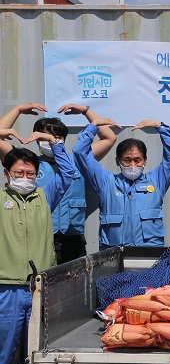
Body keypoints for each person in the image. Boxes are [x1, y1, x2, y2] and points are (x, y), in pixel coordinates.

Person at [0, 129, 74, 364]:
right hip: (5, 289)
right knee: (3, 352)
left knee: (39, 352)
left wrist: (55, 142)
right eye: (19, 173)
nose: (25, 178)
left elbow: (67, 174)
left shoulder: (44, 197)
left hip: (39, 289)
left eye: (30, 174)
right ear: (7, 174)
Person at [0, 103, 117, 262]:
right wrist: (18, 109)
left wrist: (86, 111)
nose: (50, 140)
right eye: (45, 136)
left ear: (63, 140)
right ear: (37, 138)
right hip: (39, 235)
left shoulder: (77, 160)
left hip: (73, 237)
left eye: (56, 137)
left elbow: (109, 138)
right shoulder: (28, 164)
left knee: (75, 283)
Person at [73, 118, 170, 249]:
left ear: (145, 160)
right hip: (113, 254)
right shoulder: (106, 182)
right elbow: (80, 153)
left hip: (149, 253)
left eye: (137, 160)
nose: (132, 165)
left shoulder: (157, 180)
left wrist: (161, 127)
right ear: (118, 161)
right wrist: (93, 126)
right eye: (127, 160)